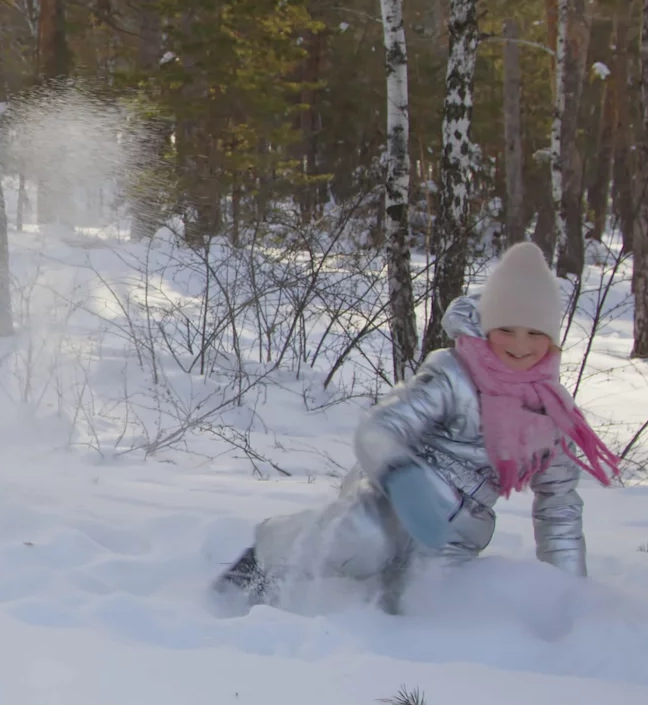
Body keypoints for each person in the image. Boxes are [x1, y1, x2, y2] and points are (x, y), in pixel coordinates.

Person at [214, 242, 620, 615]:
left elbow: (559, 507)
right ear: (488, 325)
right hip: (392, 494)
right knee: (365, 539)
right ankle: (263, 558)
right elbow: (380, 427)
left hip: (455, 532)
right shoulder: (453, 373)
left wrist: (570, 592)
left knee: (422, 608)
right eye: (507, 329)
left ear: (551, 338)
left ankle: (383, 642)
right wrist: (404, 480)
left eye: (534, 332)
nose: (519, 343)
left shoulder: (550, 410)